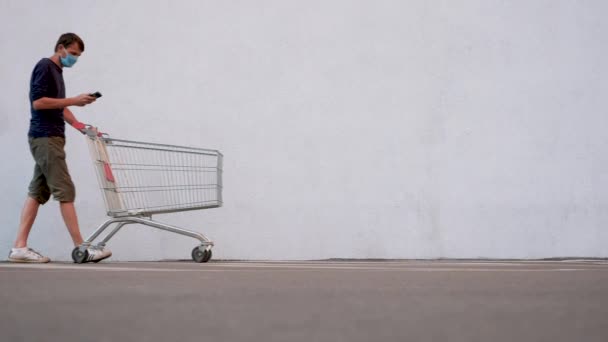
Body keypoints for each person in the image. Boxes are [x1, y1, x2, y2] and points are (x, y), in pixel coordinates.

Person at [8, 33, 112, 263]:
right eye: (73, 54)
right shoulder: (45, 66)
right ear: (61, 48)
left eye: (78, 56)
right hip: (45, 138)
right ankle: (82, 248)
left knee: (38, 192)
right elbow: (39, 102)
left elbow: (57, 107)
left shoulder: (57, 71)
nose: (74, 59)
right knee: (66, 190)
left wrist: (81, 126)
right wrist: (73, 100)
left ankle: (19, 248)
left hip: (50, 138)